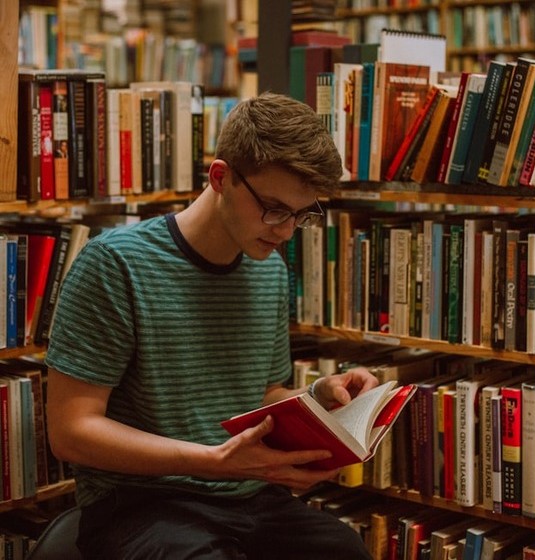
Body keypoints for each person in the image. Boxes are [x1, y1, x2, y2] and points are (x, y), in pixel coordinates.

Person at [45, 92, 379, 560]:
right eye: (275, 208)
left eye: (302, 215)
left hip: (248, 495)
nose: (285, 230)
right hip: (141, 504)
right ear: (220, 177)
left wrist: (320, 396)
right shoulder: (115, 263)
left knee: (347, 551)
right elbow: (70, 430)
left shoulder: (268, 269)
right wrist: (212, 462)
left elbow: (262, 395)